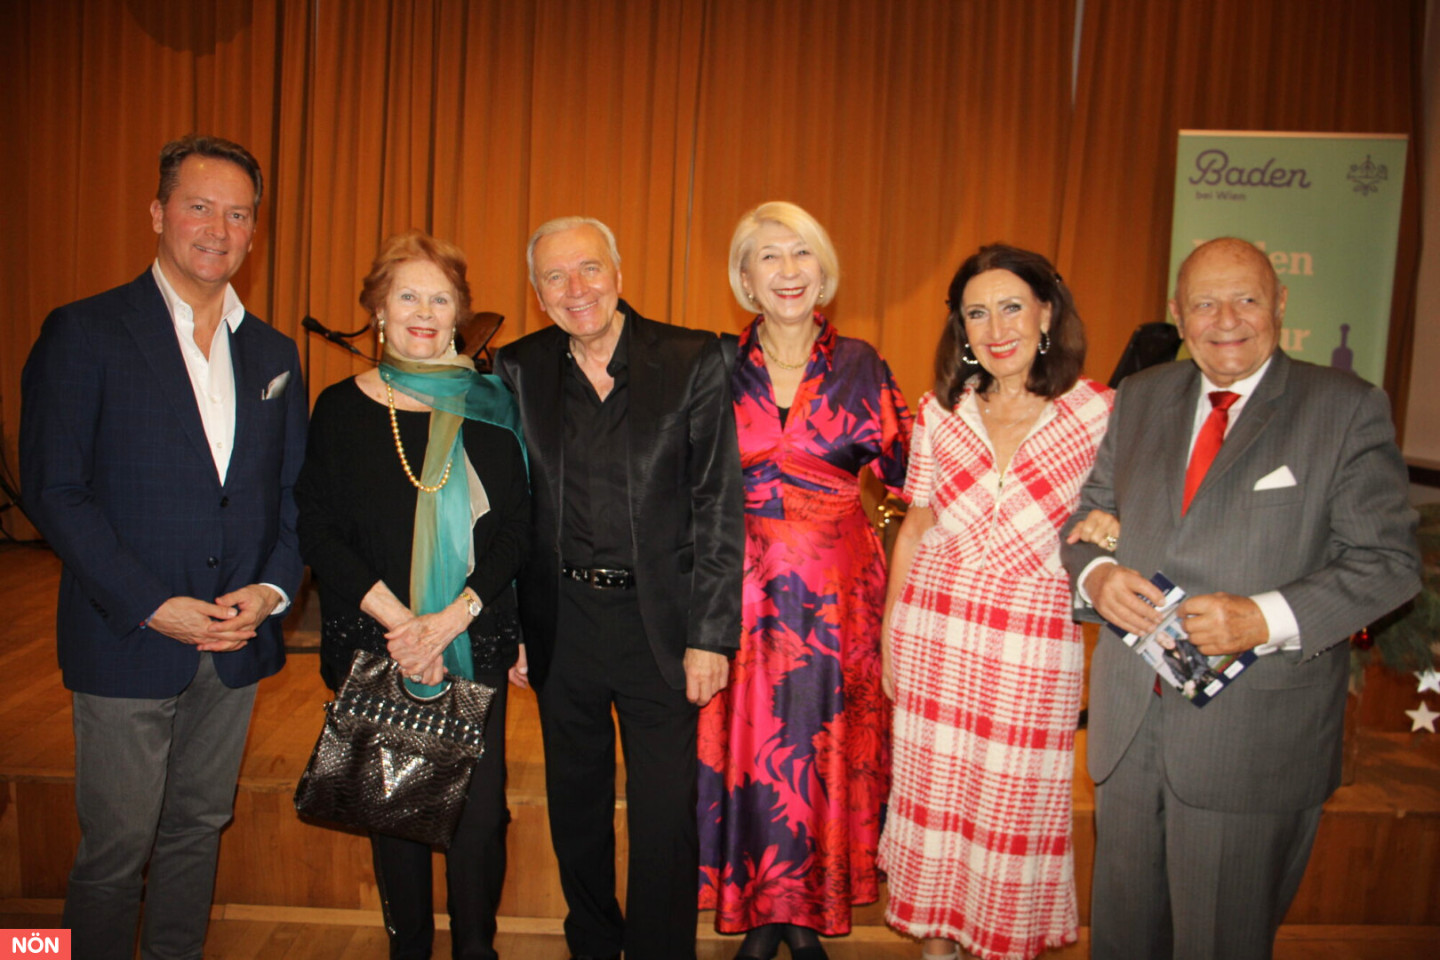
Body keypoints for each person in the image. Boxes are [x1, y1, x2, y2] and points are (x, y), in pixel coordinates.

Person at [1061, 237, 1421, 960]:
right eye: (1204, 303)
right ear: (1177, 313)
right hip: (1130, 728)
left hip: (1251, 739)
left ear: (1281, 303)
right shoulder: (1141, 396)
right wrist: (1096, 575)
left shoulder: (1344, 408)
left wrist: (1262, 618)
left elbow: (1388, 564)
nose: (1225, 320)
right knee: (1123, 941)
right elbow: (1090, 516)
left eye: (1246, 299)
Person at [19, 135, 306, 960]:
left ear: (255, 231)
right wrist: (151, 604)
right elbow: (55, 491)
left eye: (238, 214)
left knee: (199, 826)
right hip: (127, 637)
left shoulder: (273, 352)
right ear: (157, 212)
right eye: (199, 206)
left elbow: (291, 494)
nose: (219, 229)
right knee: (116, 848)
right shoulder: (85, 331)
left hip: (236, 640)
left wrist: (271, 593)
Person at [494, 216, 744, 960]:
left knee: (665, 815)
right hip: (562, 621)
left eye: (590, 269)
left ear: (619, 272)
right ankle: (594, 945)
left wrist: (711, 635)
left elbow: (718, 504)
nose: (576, 289)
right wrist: (512, 625)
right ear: (537, 293)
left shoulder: (693, 358)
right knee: (577, 808)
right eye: (555, 277)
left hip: (659, 626)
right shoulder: (517, 367)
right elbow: (504, 509)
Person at [294, 231, 529, 960]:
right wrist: (405, 626)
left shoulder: (492, 404)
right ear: (378, 311)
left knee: (480, 820)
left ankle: (476, 949)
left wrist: (449, 619)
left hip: (472, 634)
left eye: (441, 299)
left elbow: (518, 527)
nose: (425, 313)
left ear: (460, 313)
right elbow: (317, 527)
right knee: (394, 814)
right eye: (408, 296)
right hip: (379, 639)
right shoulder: (339, 408)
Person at [877, 245, 1113, 960]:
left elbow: (1125, 510)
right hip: (936, 634)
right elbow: (917, 524)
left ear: (1047, 313)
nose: (996, 328)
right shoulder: (941, 412)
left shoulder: (1099, 412)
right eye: (976, 313)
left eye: (1012, 307)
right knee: (934, 809)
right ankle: (936, 951)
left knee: (1014, 816)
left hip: (1032, 644)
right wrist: (890, 634)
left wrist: (1113, 524)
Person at [696, 201, 912, 960]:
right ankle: (761, 915)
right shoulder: (712, 368)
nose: (788, 271)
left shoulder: (863, 365)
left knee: (823, 753)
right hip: (740, 599)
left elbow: (915, 475)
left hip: (840, 604)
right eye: (768, 256)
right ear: (744, 278)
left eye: (802, 254)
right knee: (754, 754)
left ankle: (809, 914)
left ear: (824, 271)